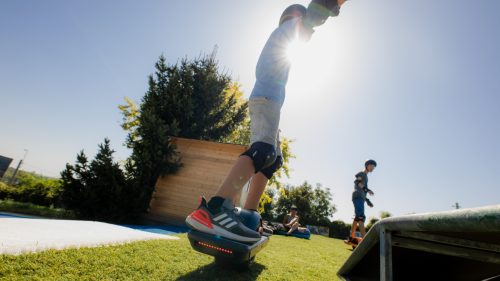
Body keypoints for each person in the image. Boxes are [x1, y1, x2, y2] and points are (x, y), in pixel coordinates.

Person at [186, 0, 349, 243]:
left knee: (273, 159)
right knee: (262, 150)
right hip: (265, 98)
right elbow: (313, 15)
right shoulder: (288, 28)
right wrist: (333, 3)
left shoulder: (284, 41)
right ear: (293, 18)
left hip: (270, 101)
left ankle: (249, 214)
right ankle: (214, 210)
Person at [347, 159, 377, 245]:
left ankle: (351, 237)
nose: (372, 168)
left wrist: (368, 201)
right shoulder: (362, 173)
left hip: (361, 197)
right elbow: (357, 182)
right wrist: (367, 189)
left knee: (357, 217)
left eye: (373, 167)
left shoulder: (366, 177)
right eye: (371, 165)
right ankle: (364, 240)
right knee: (361, 217)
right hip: (357, 196)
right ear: (366, 165)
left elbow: (362, 191)